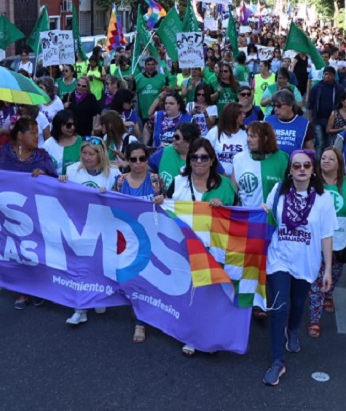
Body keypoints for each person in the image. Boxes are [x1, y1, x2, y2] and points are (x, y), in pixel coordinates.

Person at [262, 149, 336, 386]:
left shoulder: (324, 199)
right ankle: (277, 362)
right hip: (279, 257)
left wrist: (327, 270)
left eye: (306, 165)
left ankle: (293, 330)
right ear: (290, 170)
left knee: (297, 303)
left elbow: (326, 235)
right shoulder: (278, 192)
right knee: (278, 306)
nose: (302, 169)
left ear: (313, 169)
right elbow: (266, 218)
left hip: (307, 261)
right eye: (296, 166)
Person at [167, 138, 237, 357]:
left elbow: (237, 216)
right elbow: (167, 209)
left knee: (210, 295)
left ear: (212, 160)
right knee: (190, 293)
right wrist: (160, 201)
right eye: (194, 157)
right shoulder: (178, 181)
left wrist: (223, 208)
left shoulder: (225, 185)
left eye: (203, 157)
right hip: (183, 246)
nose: (198, 161)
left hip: (214, 248)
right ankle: (191, 335)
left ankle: (208, 336)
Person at [0, 117, 57, 308]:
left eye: (37, 132)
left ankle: (36, 286)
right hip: (6, 214)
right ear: (20, 135)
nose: (37, 136)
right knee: (14, 250)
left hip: (33, 215)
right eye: (33, 133)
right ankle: (23, 290)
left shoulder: (42, 156)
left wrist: (44, 177)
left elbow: (56, 182)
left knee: (33, 250)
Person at [59, 138, 120, 325]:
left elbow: (121, 201)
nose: (86, 157)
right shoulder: (71, 171)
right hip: (79, 228)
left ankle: (99, 296)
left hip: (105, 228)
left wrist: (110, 196)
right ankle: (80, 308)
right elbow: (60, 197)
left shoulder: (114, 174)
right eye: (84, 153)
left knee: (102, 266)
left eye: (91, 154)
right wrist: (60, 183)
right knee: (80, 268)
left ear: (100, 155)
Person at [112, 141, 165, 345]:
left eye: (142, 158)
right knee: (131, 280)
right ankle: (140, 315)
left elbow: (169, 206)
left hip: (152, 239)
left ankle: (141, 322)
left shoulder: (155, 180)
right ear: (127, 160)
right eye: (133, 159)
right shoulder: (119, 181)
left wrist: (162, 199)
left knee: (148, 280)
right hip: (127, 240)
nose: (138, 163)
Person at [307, 148, 346, 337]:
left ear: (339, 162)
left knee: (335, 272)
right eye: (323, 158)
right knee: (317, 280)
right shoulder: (312, 181)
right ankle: (315, 319)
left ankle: (328, 293)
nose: (326, 161)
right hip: (316, 238)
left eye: (331, 158)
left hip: (341, 239)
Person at [232, 121, 289, 209]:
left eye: (253, 136)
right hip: (247, 217)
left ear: (265, 138)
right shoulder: (238, 159)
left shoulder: (283, 158)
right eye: (248, 135)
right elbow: (233, 190)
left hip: (272, 217)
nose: (248, 139)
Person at [147, 122, 201, 190]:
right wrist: (154, 178)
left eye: (177, 137)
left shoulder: (201, 158)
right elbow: (144, 168)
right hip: (164, 199)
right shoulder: (165, 151)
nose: (173, 139)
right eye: (174, 136)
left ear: (189, 141)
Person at [265, 90, 314, 155]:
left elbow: (310, 149)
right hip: (272, 163)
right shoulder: (267, 121)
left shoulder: (304, 124)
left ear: (290, 106)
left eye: (279, 106)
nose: (275, 109)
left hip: (294, 163)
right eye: (274, 106)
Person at [307, 66, 344, 150]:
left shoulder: (339, 89)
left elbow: (342, 104)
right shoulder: (317, 88)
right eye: (326, 74)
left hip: (332, 120)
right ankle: (317, 162)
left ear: (334, 76)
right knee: (319, 142)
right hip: (318, 119)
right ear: (323, 75)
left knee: (328, 143)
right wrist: (311, 118)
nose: (327, 76)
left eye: (330, 74)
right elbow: (311, 104)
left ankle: (326, 160)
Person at [207, 103, 247, 175]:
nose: (243, 116)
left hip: (240, 175)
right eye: (240, 113)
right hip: (218, 176)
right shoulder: (214, 132)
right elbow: (207, 153)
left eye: (244, 113)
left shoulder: (246, 133)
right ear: (231, 115)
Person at [43, 110, 83, 175]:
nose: (72, 127)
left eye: (74, 124)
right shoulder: (48, 144)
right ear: (59, 125)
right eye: (68, 125)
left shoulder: (81, 142)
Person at [134, 57, 168, 124]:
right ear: (145, 66)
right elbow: (132, 91)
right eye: (148, 64)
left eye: (152, 64)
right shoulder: (137, 78)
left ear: (155, 66)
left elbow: (166, 92)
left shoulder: (162, 77)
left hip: (158, 112)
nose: (151, 66)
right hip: (144, 112)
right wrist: (130, 82)